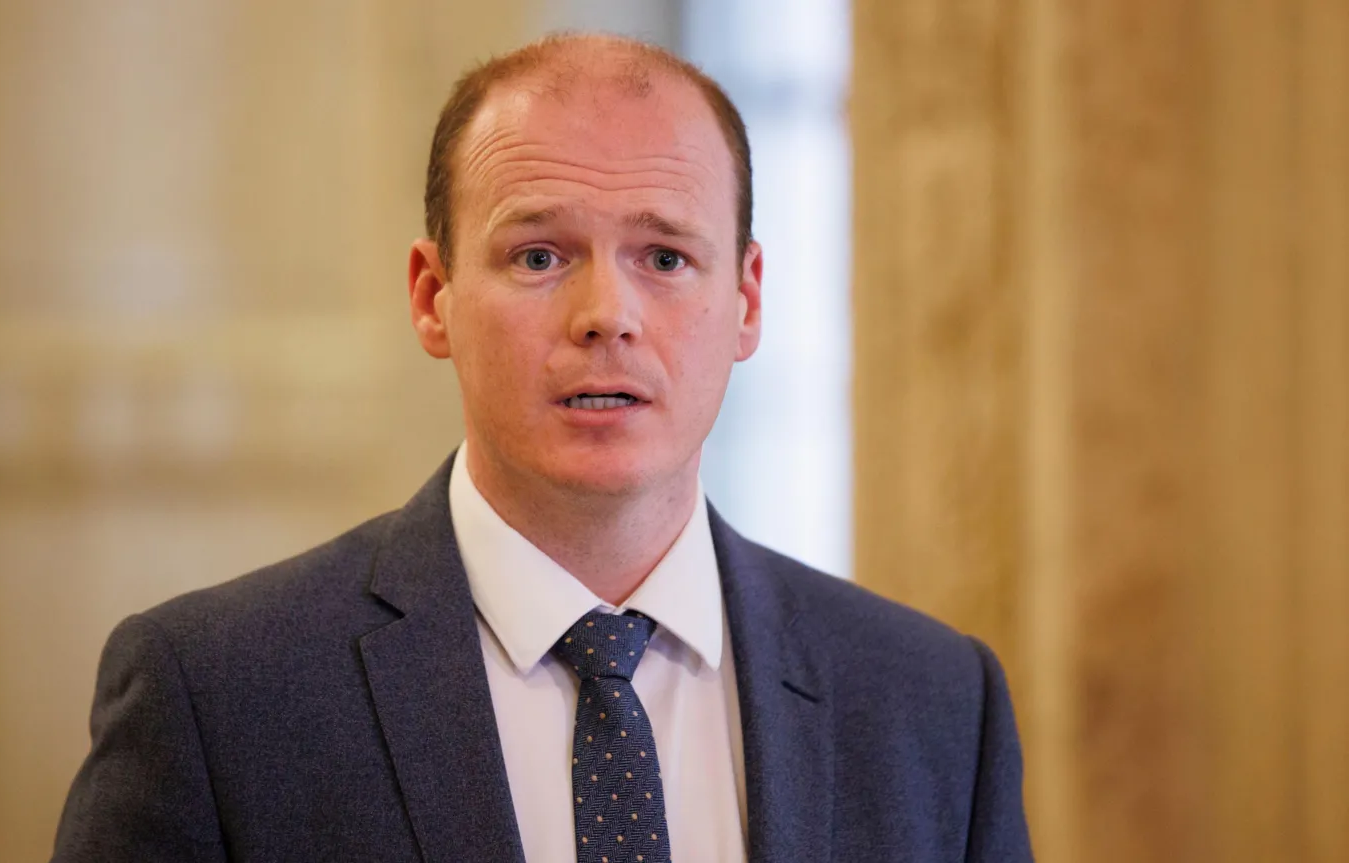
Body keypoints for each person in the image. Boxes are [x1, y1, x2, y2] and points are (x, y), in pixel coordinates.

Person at [51, 33, 1033, 863]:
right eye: (538, 255)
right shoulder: (214, 694)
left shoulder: (937, 704)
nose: (607, 314)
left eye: (665, 256)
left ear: (747, 298)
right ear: (432, 296)